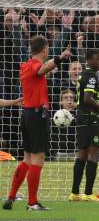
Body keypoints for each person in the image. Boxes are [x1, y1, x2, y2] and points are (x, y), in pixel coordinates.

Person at [3, 35, 70, 211]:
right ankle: (32, 202)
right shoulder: (34, 65)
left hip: (27, 115)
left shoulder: (24, 65)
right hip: (36, 116)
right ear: (45, 50)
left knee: (27, 159)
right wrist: (59, 58)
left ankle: (11, 197)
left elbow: (42, 72)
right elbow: (42, 70)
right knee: (38, 159)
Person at [70, 49, 99, 202]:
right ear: (88, 60)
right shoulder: (91, 76)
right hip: (88, 119)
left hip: (85, 118)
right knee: (93, 153)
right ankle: (88, 193)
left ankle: (75, 193)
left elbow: (85, 101)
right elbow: (88, 99)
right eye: (97, 59)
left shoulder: (85, 75)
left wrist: (98, 120)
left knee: (82, 154)